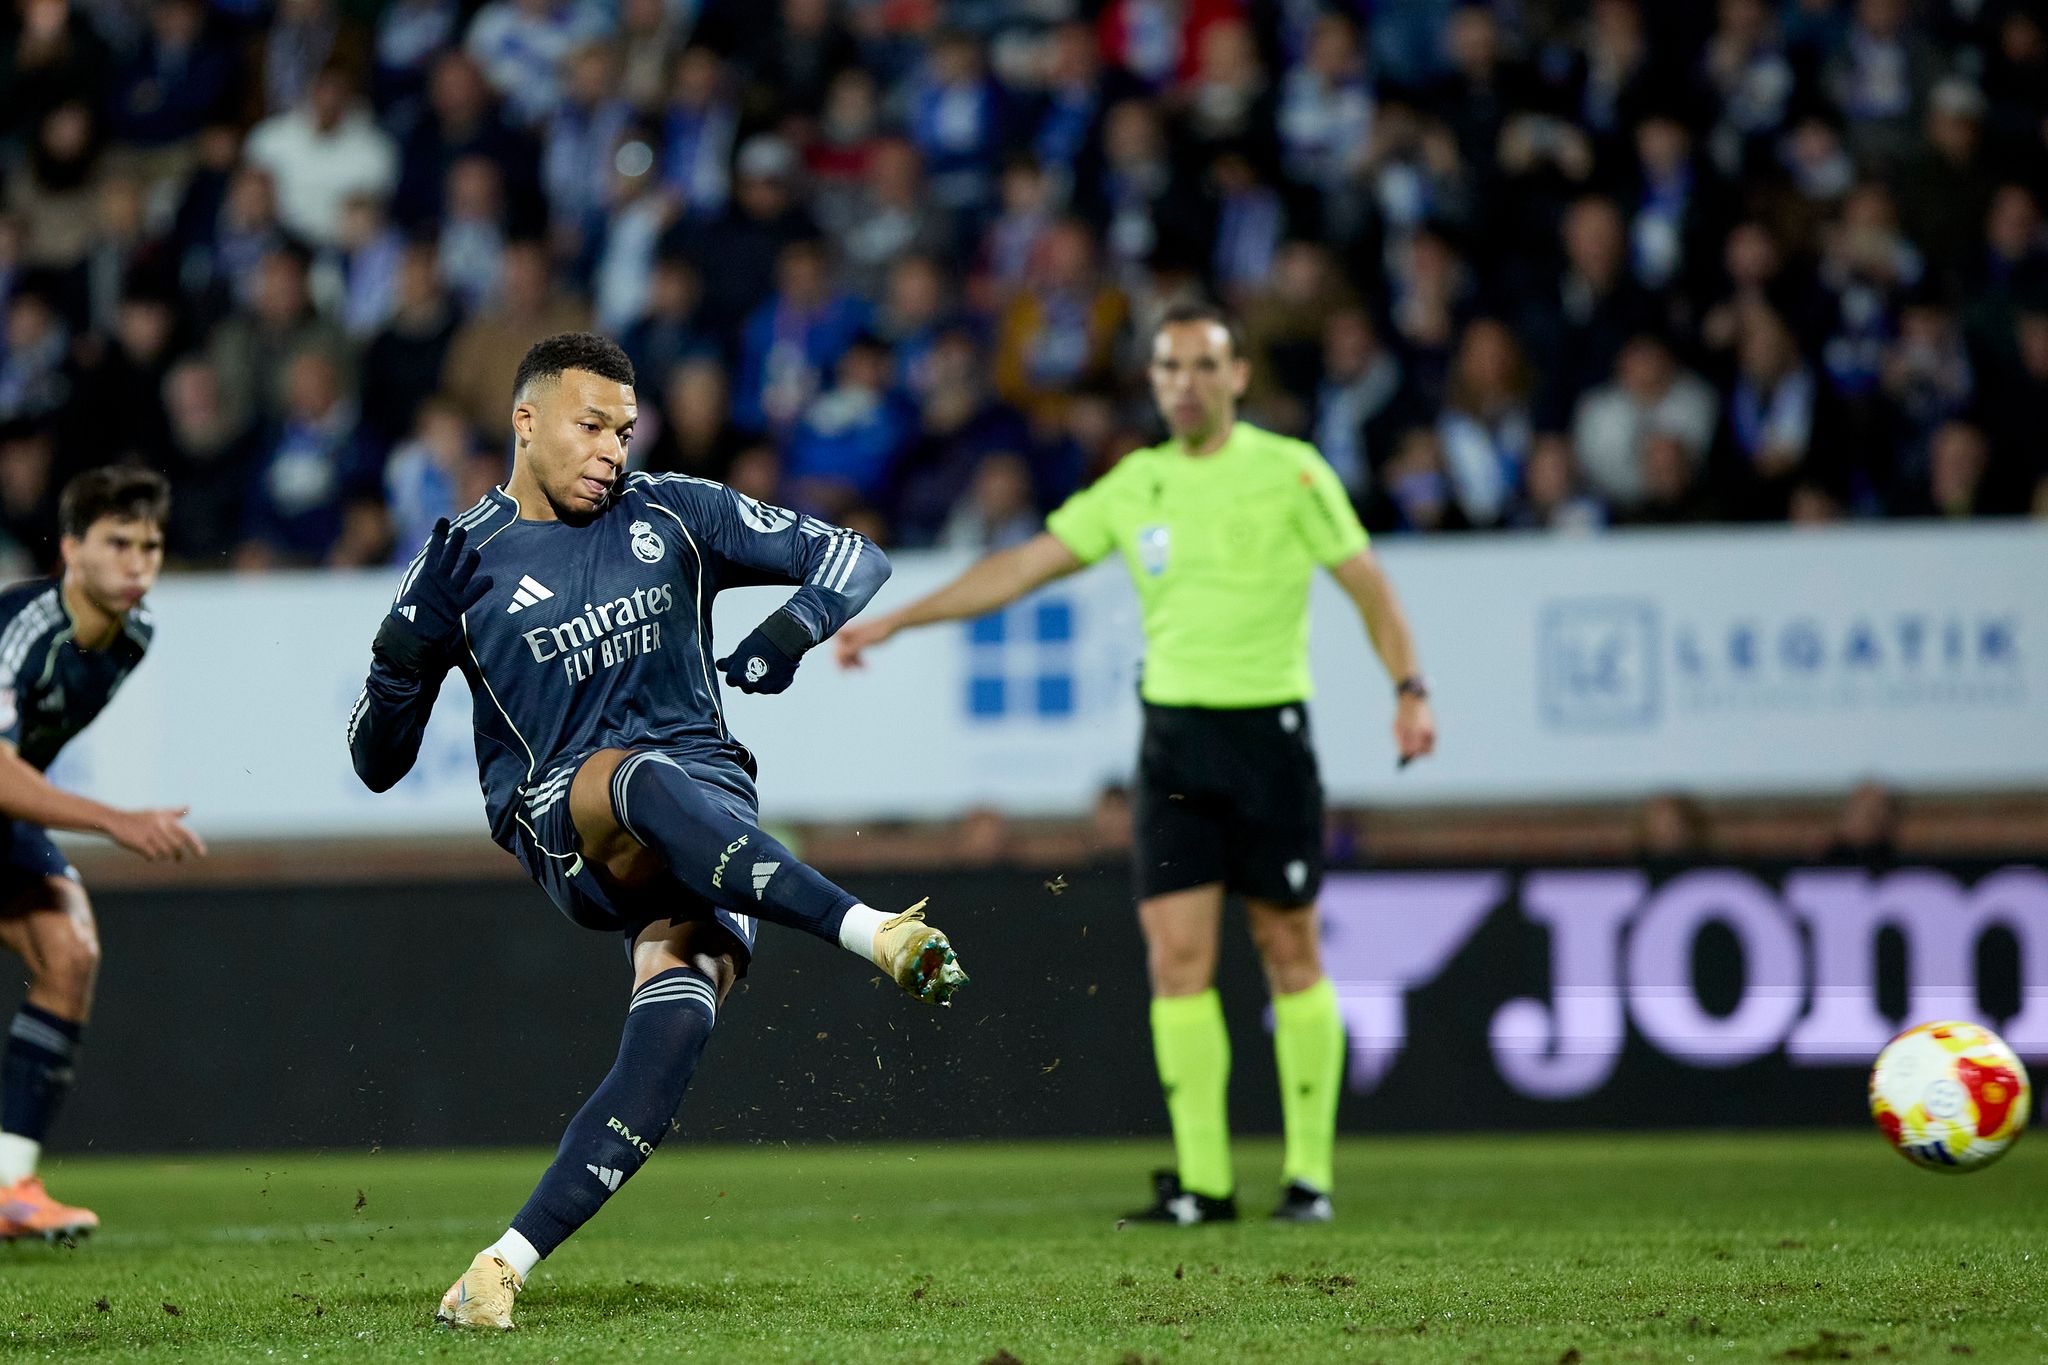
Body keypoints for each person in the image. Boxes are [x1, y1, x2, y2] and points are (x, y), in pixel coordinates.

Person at [345, 333, 967, 1329]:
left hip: (711, 814)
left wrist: (793, 628)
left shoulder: (673, 510)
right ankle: (870, 930)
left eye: (624, 432)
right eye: (590, 426)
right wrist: (399, 658)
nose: (610, 451)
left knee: (673, 1025)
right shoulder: (461, 560)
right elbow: (374, 764)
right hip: (568, 819)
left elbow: (855, 555)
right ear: (526, 421)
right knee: (633, 776)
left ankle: (498, 1268)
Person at [837, 302, 1436, 1225]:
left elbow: (1370, 586)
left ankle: (1309, 1181)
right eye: (1168, 368)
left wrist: (1409, 688)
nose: (1185, 384)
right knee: (1178, 960)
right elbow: (1022, 566)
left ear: (1238, 377)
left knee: (1290, 949)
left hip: (1269, 741)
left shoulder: (1291, 471)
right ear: (1152, 381)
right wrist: (900, 619)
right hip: (1175, 747)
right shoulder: (1137, 483)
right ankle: (1205, 1185)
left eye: (1204, 365)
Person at [0, 467, 207, 1241]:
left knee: (70, 951)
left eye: (149, 546)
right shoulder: (25, 631)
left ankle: (9, 1184)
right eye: (117, 543)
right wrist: (116, 821)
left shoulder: (133, 637)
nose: (137, 563)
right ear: (70, 548)